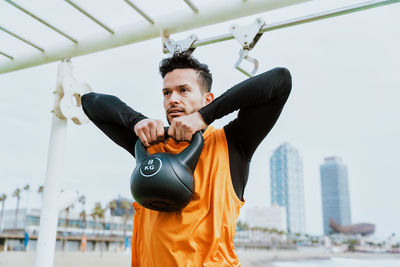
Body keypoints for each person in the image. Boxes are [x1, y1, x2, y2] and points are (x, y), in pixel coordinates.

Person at [81, 51, 292, 266]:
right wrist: (136, 120)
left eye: (184, 90)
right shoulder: (151, 147)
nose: (173, 99)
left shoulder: (232, 144)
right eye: (166, 92)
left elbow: (280, 80)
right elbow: (90, 102)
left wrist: (203, 116)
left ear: (207, 99)